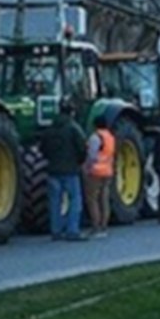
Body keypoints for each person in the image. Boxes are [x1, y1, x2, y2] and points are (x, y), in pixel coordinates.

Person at [39, 102, 89, 242]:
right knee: (75, 201)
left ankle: (56, 231)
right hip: (71, 171)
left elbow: (43, 149)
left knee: (55, 202)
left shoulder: (49, 129)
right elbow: (82, 148)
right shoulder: (74, 128)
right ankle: (72, 231)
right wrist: (79, 161)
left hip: (53, 171)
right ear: (71, 112)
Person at [84, 119, 116, 238]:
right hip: (107, 172)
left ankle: (96, 227)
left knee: (92, 200)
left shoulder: (95, 137)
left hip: (95, 172)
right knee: (104, 199)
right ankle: (104, 226)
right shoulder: (110, 137)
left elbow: (92, 155)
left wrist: (87, 168)